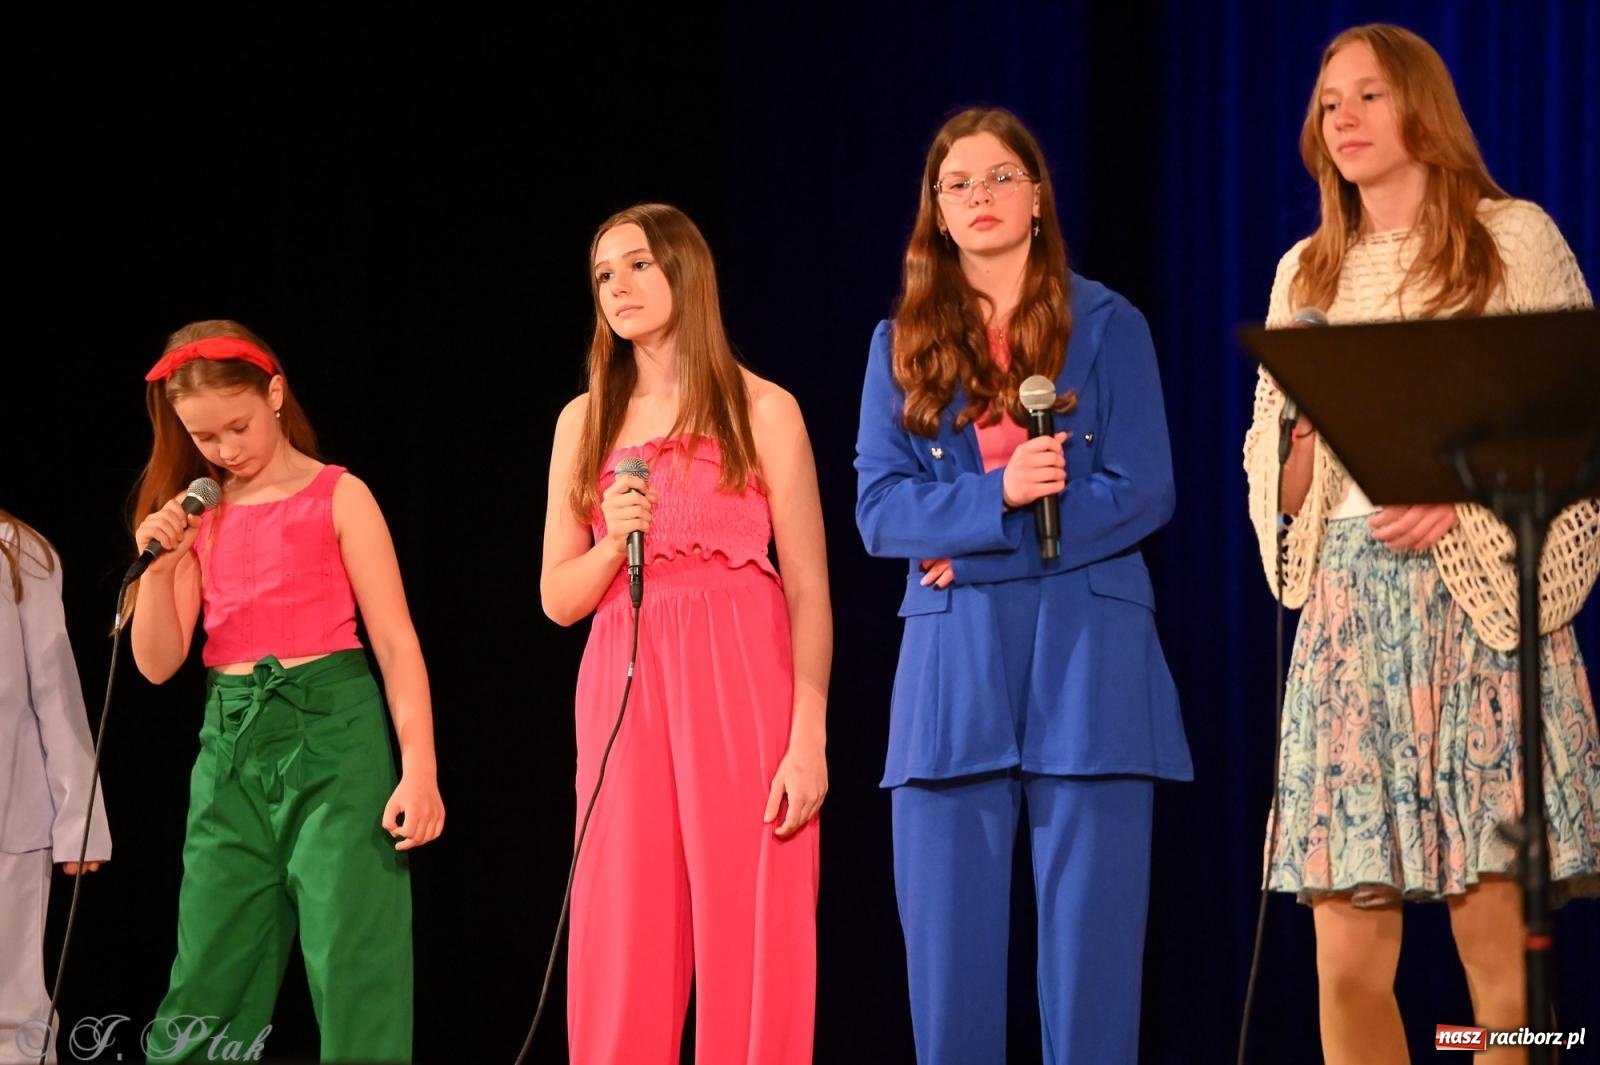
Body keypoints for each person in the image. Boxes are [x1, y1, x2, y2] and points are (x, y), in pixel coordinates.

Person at [1241, 23, 1600, 1065]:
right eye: (1326, 104)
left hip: (1476, 612)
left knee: (1496, 965)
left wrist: (1464, 502)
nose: (1342, 119)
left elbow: (1572, 426)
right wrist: (1300, 433)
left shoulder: (1510, 239)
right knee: (1345, 965)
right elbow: (1278, 485)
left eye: (1366, 97)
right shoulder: (1302, 272)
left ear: (1420, 110)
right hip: (1350, 625)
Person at [853, 106, 1192, 1065]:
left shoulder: (1110, 323)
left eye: (1000, 177)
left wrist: (977, 536)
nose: (980, 197)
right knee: (949, 993)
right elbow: (881, 512)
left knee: (1092, 993)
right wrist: (998, 492)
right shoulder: (896, 346)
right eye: (957, 184)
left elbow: (1146, 490)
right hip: (953, 675)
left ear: (1036, 197)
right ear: (937, 212)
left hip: (1094, 668)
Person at [541, 203, 830, 1065]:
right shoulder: (582, 421)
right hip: (624, 675)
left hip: (742, 672)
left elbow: (811, 590)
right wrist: (611, 541)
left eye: (636, 266)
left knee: (753, 929)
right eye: (602, 275)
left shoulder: (764, 409)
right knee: (622, 927)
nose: (617, 288)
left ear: (684, 273)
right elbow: (557, 595)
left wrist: (807, 735)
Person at [126, 320, 444, 1063]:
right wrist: (166, 565)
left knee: (352, 961)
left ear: (274, 394)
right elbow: (155, 663)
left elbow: (397, 641)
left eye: (237, 425)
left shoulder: (339, 494)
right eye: (205, 438)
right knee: (208, 964)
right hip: (230, 749)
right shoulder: (202, 515)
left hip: (334, 738)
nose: (225, 449)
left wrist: (420, 767)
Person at [0, 511, 111, 1065]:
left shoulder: (18, 551)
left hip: (10, 816)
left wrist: (80, 817)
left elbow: (54, 688)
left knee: (12, 1010)